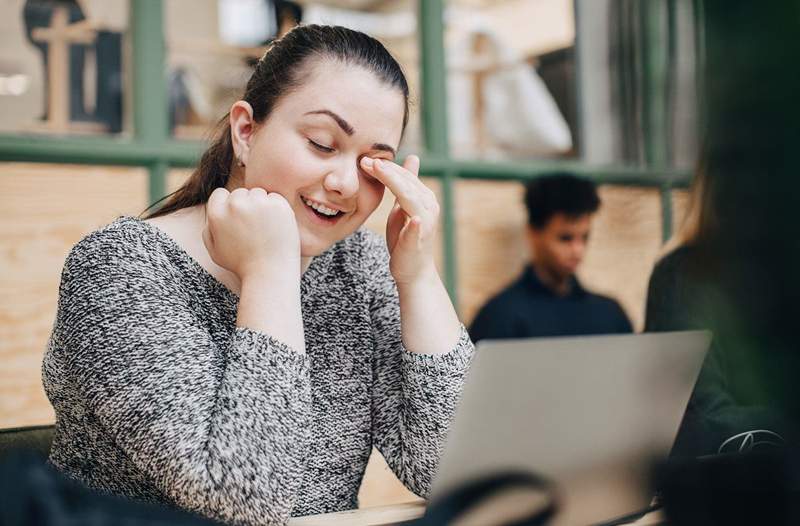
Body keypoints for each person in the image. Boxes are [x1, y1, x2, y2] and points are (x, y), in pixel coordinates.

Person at [42, 25, 474, 526]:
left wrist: (417, 277)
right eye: (321, 143)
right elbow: (244, 499)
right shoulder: (121, 267)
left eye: (374, 162)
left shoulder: (359, 264)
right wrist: (271, 273)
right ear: (245, 131)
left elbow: (456, 470)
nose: (344, 183)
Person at [469, 173, 632, 342]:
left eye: (584, 237)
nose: (578, 250)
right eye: (565, 238)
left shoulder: (610, 314)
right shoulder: (500, 316)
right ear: (533, 234)